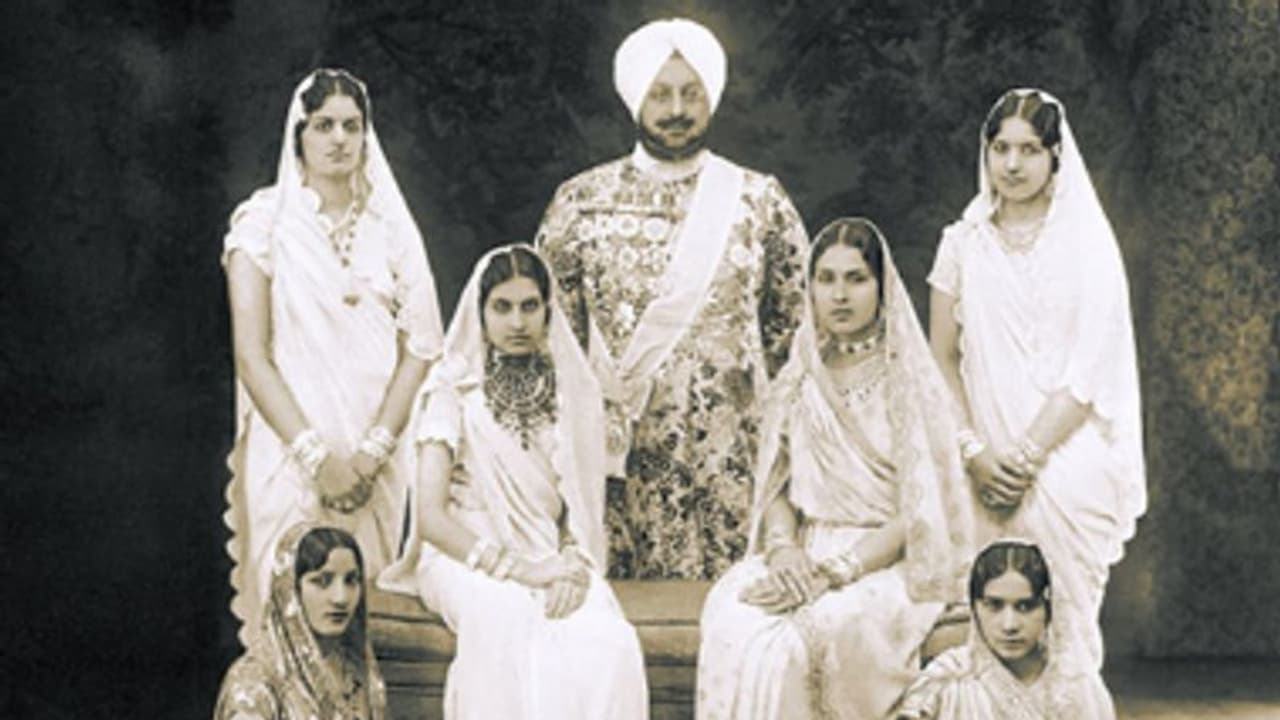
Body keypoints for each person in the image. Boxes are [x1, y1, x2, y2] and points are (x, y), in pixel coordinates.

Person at [537, 18, 810, 580]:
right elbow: (549, 343)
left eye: (692, 93)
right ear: (635, 97)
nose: (678, 109)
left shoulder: (760, 202)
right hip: (620, 466)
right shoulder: (581, 202)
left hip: (734, 462)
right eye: (660, 94)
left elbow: (797, 341)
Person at [696, 218, 972, 719]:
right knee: (733, 619)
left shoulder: (909, 382)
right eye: (826, 279)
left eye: (856, 279)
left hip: (885, 562)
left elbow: (919, 510)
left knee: (801, 640)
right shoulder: (800, 375)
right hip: (801, 549)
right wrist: (784, 551)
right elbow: (777, 485)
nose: (839, 295)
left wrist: (836, 572)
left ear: (882, 287)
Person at [927, 88, 1145, 678]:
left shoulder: (1087, 246)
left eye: (1029, 150)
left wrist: (1024, 459)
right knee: (992, 632)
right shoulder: (961, 243)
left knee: (1065, 632)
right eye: (1001, 148)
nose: (1013, 164)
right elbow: (940, 357)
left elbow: (1089, 370)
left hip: (1066, 454)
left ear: (1055, 157)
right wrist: (974, 452)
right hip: (981, 459)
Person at [222, 68, 445, 646]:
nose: (340, 139)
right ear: (298, 135)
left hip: (377, 458)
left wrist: (371, 455)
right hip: (291, 454)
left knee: (361, 618)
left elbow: (422, 346)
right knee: (288, 614)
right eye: (323, 125)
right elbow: (251, 355)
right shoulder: (263, 223)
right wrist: (319, 460)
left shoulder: (391, 229)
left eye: (352, 125)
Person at [379, 245, 649, 719]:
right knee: (505, 618)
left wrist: (571, 563)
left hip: (546, 550)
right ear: (480, 313)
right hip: (463, 556)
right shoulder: (452, 392)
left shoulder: (571, 394)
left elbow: (579, 511)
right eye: (502, 307)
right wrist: (521, 571)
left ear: (548, 310)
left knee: (607, 639)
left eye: (529, 306)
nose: (517, 322)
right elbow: (431, 518)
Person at [895, 540, 1116, 719]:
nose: (1010, 625)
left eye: (1026, 607)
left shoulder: (1076, 687)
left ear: (1049, 609)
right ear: (974, 607)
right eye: (994, 606)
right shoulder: (946, 680)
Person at [214, 523, 387, 720]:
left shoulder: (356, 670)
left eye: (351, 580)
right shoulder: (253, 682)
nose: (341, 598)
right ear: (291, 589)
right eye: (322, 581)